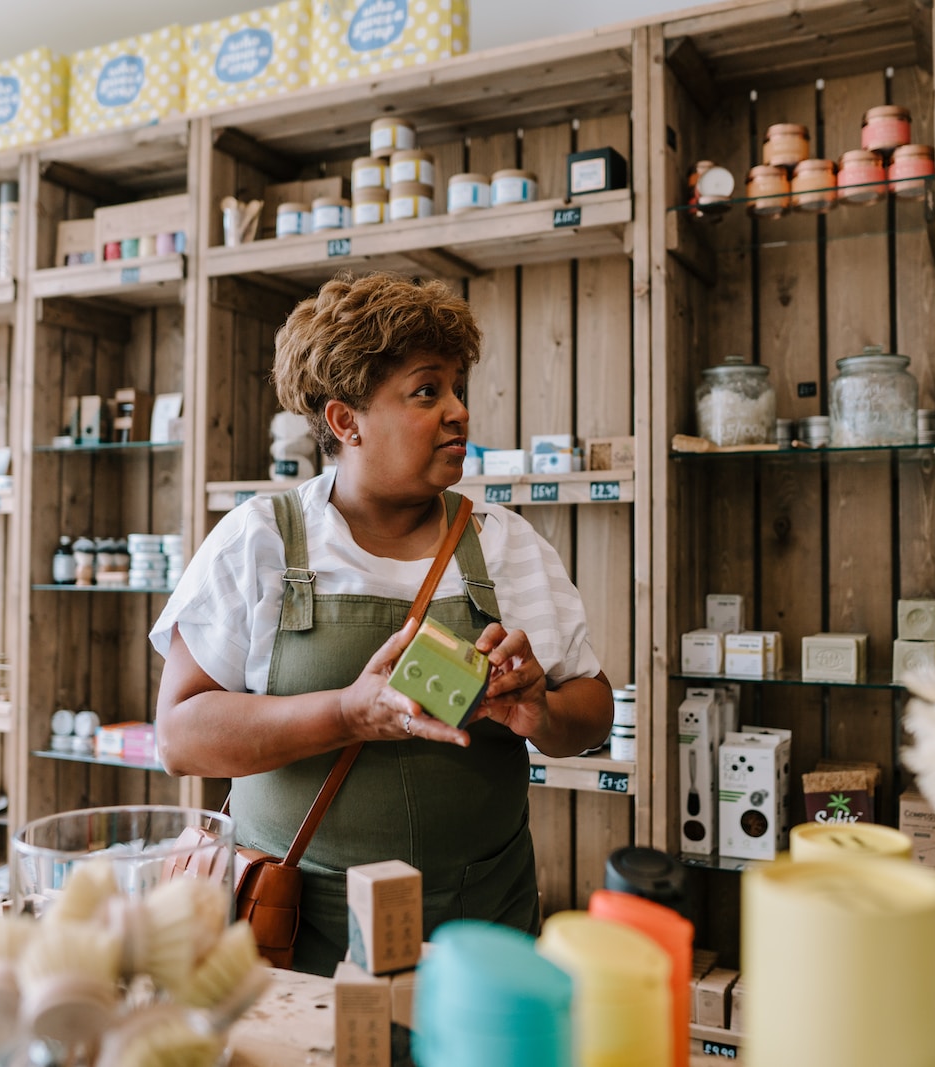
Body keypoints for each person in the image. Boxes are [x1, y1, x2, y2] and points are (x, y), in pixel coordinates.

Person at [151, 272, 614, 975]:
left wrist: (539, 707)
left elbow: (596, 710)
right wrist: (347, 712)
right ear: (346, 421)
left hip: (478, 934)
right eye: (428, 391)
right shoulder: (260, 541)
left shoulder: (504, 543)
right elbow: (180, 736)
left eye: (459, 388)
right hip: (296, 934)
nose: (458, 411)